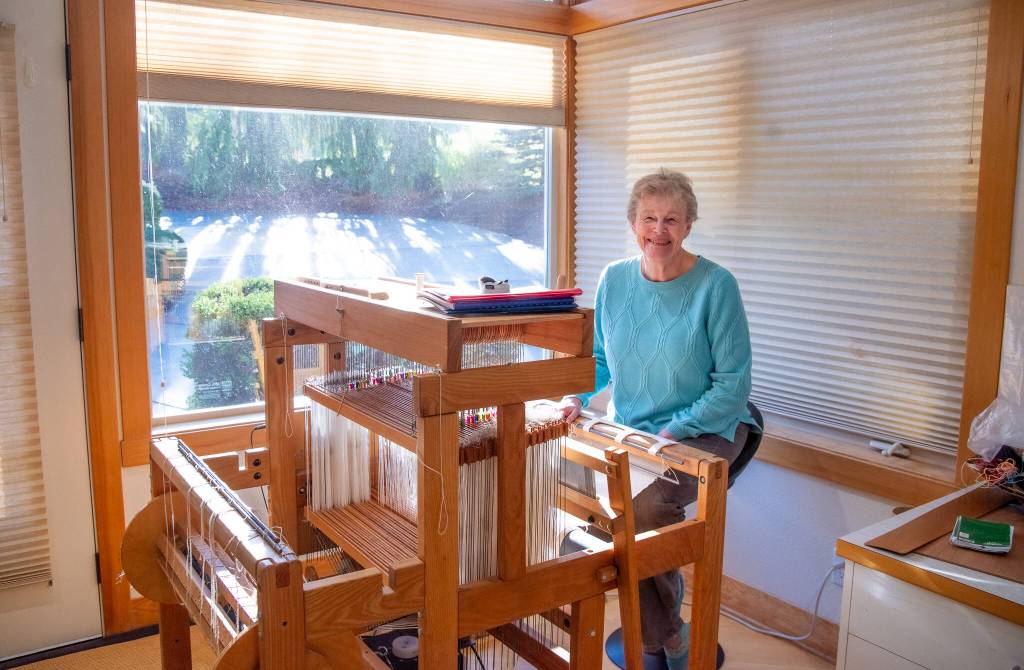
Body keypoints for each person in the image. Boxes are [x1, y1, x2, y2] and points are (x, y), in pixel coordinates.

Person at [560, 169, 758, 669]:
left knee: (645, 513)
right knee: (623, 513)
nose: (659, 230)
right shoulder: (615, 279)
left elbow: (732, 386)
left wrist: (672, 433)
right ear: (633, 223)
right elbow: (602, 358)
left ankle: (662, 642)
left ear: (688, 225)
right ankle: (667, 640)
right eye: (649, 218)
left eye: (672, 219)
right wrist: (575, 397)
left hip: (712, 426)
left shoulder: (717, 286)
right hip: (636, 428)